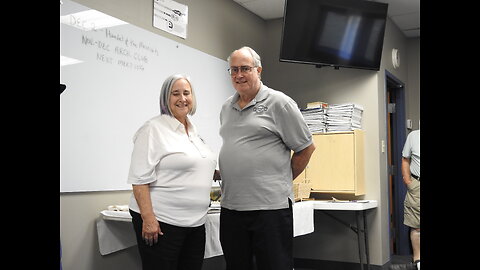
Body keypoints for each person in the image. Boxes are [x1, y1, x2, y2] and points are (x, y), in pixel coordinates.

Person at [218, 46, 316, 270]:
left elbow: (306, 148)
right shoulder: (226, 107)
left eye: (245, 68)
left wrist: (281, 179)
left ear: (258, 70)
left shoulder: (279, 103)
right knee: (236, 265)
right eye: (234, 70)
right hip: (232, 207)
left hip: (270, 208)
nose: (239, 75)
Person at [127, 74, 218, 270]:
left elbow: (195, 167)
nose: (182, 98)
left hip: (195, 224)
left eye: (186, 93)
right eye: (175, 93)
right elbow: (139, 178)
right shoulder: (153, 129)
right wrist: (149, 219)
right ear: (165, 98)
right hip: (162, 223)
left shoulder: (193, 132)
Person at [390, 129, 420, 270]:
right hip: (417, 186)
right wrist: (408, 181)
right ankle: (417, 262)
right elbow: (405, 159)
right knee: (416, 226)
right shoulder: (413, 136)